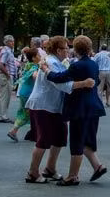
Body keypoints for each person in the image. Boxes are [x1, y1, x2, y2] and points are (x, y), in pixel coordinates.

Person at [24, 36, 92, 183]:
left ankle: (50, 168)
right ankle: (33, 172)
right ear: (57, 50)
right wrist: (84, 83)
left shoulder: (57, 62)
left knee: (60, 137)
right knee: (43, 139)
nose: (68, 51)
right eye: (65, 48)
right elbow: (61, 84)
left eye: (68, 48)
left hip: (54, 106)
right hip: (44, 105)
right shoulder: (51, 62)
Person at [46, 35, 107, 185]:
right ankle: (97, 166)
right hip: (94, 106)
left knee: (77, 141)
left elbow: (60, 78)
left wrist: (46, 71)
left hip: (80, 107)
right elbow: (97, 80)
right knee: (86, 139)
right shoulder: (93, 64)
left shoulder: (77, 65)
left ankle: (73, 176)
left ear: (75, 49)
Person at [8, 48, 41, 143]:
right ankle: (13, 131)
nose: (40, 56)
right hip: (29, 93)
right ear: (34, 58)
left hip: (24, 91)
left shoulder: (28, 64)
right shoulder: (34, 66)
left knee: (26, 112)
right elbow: (34, 76)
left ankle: (33, 133)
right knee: (27, 114)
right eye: (38, 55)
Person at [0, 35, 17, 123]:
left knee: (3, 96)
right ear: (7, 42)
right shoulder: (6, 51)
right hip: (6, 76)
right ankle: (3, 116)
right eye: (11, 41)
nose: (13, 43)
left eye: (13, 41)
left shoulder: (7, 51)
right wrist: (7, 74)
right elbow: (1, 64)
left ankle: (1, 115)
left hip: (5, 75)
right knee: (5, 96)